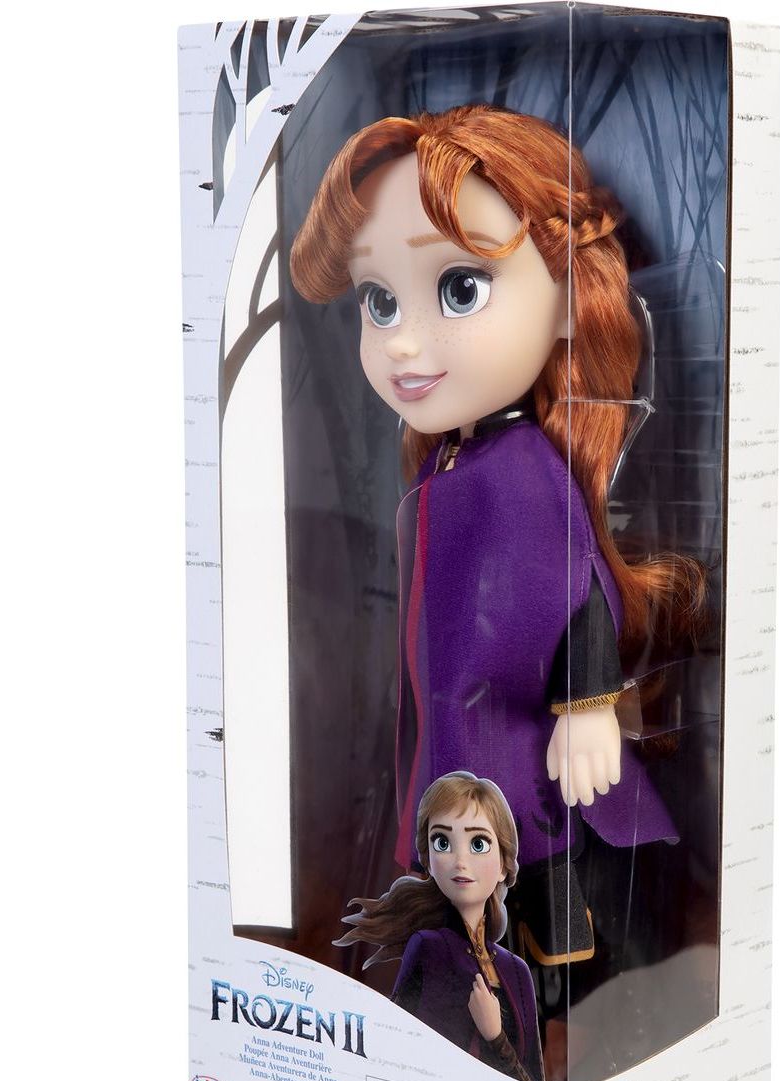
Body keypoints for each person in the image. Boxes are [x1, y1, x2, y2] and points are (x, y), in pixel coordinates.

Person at [291, 103, 704, 969]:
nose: (402, 343)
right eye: (378, 300)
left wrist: (588, 703)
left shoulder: (524, 468)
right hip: (459, 739)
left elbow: (581, 584)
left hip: (518, 741)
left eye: (460, 288)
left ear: (569, 296)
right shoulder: (449, 465)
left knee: (535, 861)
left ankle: (562, 972)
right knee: (476, 868)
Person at [335, 771, 545, 1081]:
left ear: (503, 864)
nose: (460, 861)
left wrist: (496, 1036)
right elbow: (402, 1059)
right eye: (442, 842)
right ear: (429, 860)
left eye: (478, 844)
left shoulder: (516, 971)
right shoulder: (429, 948)